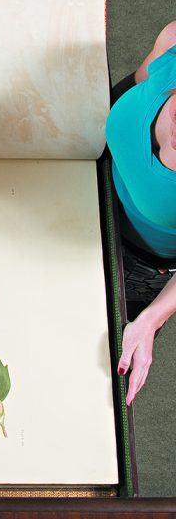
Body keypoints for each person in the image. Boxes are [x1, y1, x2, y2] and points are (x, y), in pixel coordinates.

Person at [108, 21, 176, 405]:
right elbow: (126, 95)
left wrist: (151, 319)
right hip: (91, 190)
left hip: (141, 267)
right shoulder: (175, 45)